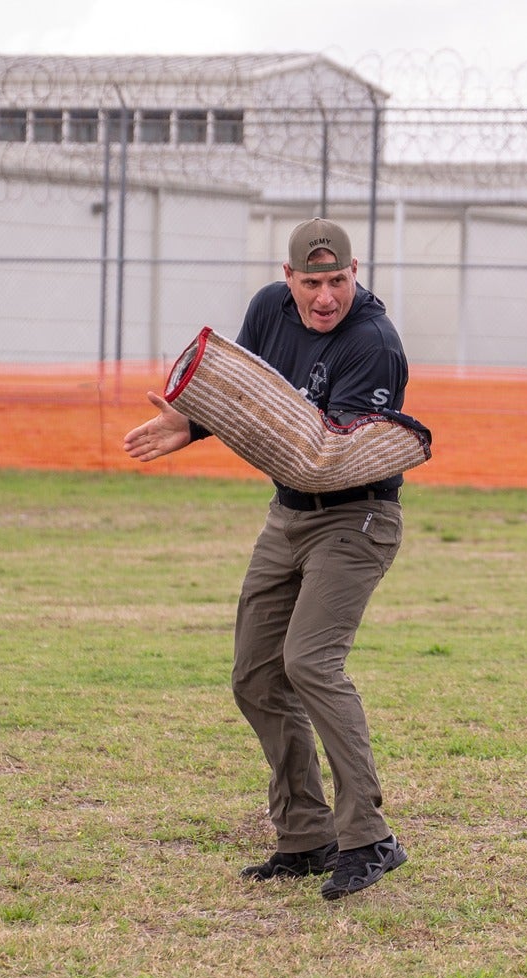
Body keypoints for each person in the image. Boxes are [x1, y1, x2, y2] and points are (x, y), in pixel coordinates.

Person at [122, 218, 414, 900]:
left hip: (355, 516)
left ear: (355, 273)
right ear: (288, 278)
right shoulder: (266, 309)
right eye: (311, 282)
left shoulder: (374, 344)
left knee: (310, 661)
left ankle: (369, 837)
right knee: (255, 674)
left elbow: (323, 456)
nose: (324, 297)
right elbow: (247, 399)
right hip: (288, 516)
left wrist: (218, 428)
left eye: (337, 281)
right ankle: (306, 836)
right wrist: (190, 422)